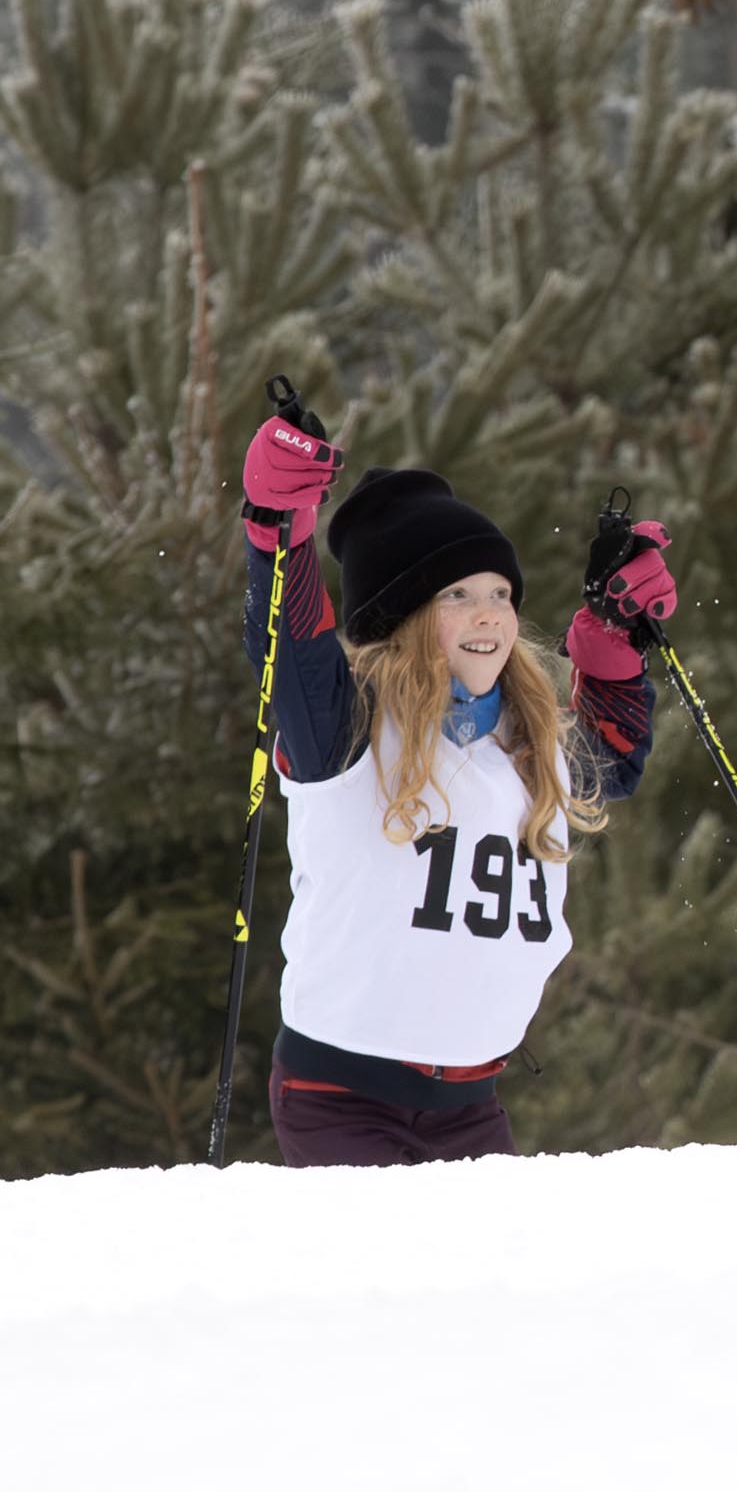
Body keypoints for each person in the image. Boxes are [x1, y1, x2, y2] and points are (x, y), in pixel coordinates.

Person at [236, 418, 680, 1162]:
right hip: (343, 1096)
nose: (489, 614)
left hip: (472, 1105)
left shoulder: (531, 739)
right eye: (457, 593)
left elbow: (616, 761)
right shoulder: (344, 731)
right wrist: (278, 533)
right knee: (386, 1279)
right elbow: (292, 652)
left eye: (501, 592)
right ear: (404, 616)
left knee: (489, 1281)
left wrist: (611, 640)